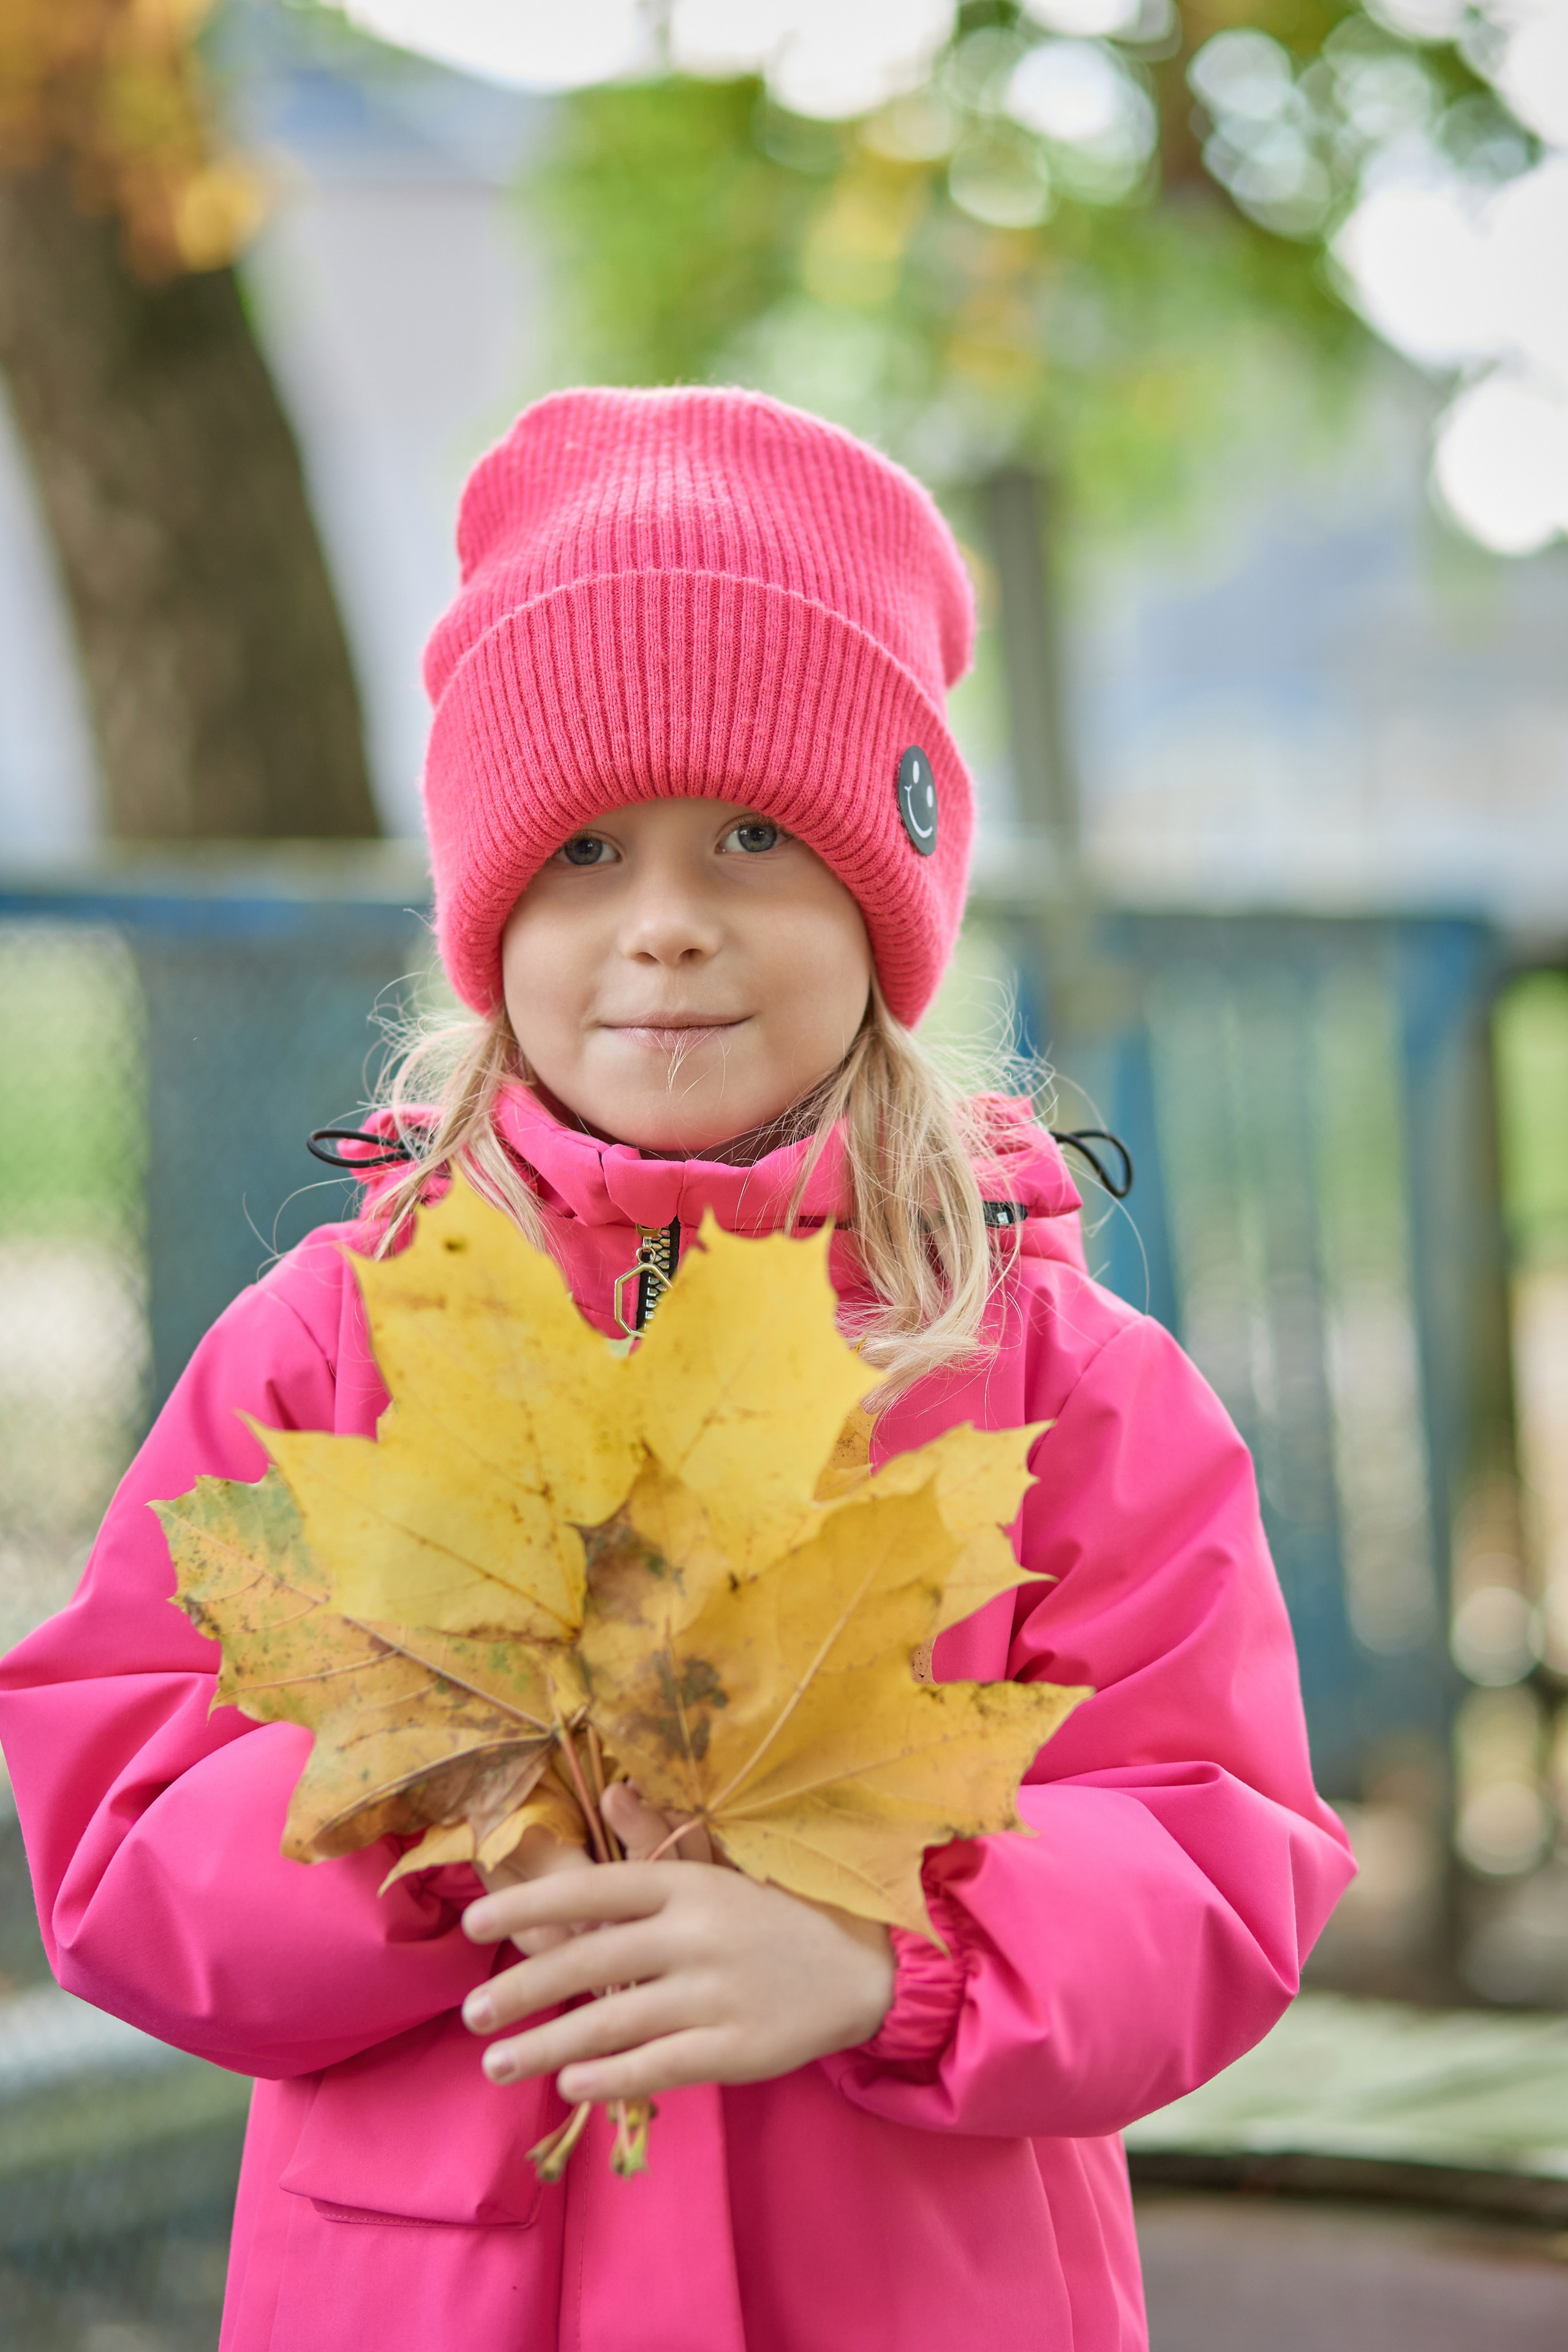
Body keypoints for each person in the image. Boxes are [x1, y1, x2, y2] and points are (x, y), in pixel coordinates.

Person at [0, 388, 1354, 2352]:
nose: (666, 928)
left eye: (752, 838)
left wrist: (888, 1957)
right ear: (488, 913)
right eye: (582, 852)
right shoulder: (343, 1343)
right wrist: (451, 1816)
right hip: (434, 2293)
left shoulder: (1047, 1369)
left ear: (887, 899)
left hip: (910, 2293)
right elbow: (121, 1810)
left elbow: (1216, 1840)